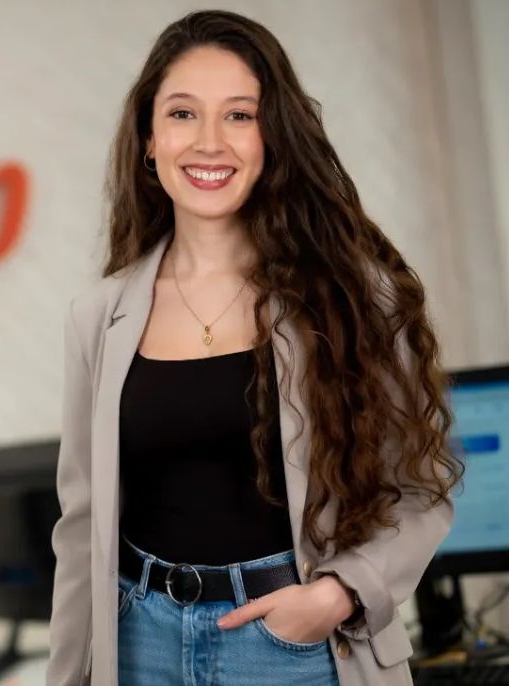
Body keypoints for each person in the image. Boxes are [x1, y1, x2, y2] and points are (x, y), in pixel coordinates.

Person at [47, 9, 463, 686]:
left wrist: (337, 595)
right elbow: (80, 528)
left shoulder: (353, 297)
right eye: (183, 114)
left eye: (239, 115)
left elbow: (420, 492)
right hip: (138, 642)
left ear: (272, 136)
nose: (209, 142)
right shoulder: (97, 317)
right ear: (149, 139)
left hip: (295, 648)